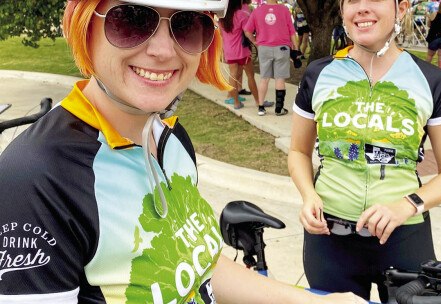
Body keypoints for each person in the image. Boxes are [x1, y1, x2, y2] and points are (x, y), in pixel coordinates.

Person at [0, 0, 368, 303]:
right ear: (85, 25)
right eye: (130, 20)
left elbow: (197, 265)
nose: (163, 51)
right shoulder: (35, 178)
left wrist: (313, 300)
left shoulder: (171, 138)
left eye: (188, 25)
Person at [288, 0, 441, 301]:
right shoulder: (319, 74)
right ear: (343, 11)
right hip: (328, 238)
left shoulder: (430, 80)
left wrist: (405, 206)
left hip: (404, 236)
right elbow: (298, 151)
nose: (363, 8)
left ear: (401, 8)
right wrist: (308, 195)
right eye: (353, 1)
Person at [243, 0, 299, 116]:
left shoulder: (257, 11)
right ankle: (279, 109)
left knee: (264, 78)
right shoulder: (284, 10)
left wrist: (255, 42)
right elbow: (291, 31)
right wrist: (295, 47)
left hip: (264, 48)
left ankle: (261, 107)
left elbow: (247, 31)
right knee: (280, 78)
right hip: (282, 48)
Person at [219, 0, 263, 113]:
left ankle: (236, 102)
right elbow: (248, 31)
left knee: (232, 77)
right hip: (242, 51)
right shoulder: (241, 14)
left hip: (229, 52)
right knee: (250, 76)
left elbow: (221, 34)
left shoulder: (222, 18)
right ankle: (258, 102)